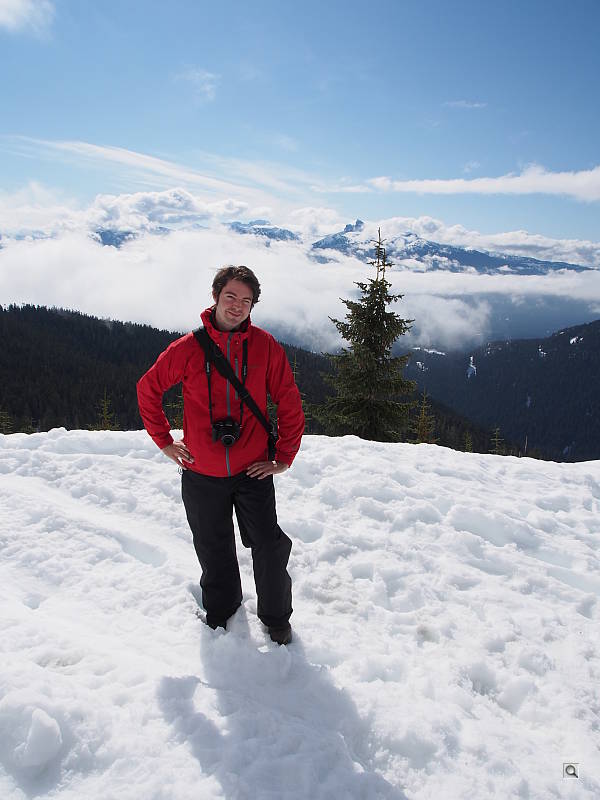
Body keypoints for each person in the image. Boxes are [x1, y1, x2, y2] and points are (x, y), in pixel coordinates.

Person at [137, 265, 304, 645]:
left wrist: (284, 455)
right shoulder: (187, 348)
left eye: (246, 300)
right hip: (201, 471)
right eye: (230, 296)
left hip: (253, 469)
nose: (237, 306)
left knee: (270, 545)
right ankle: (222, 610)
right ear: (215, 297)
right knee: (213, 547)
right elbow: (148, 389)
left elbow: (289, 400)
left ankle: (276, 618)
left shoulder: (265, 346)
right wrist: (164, 441)